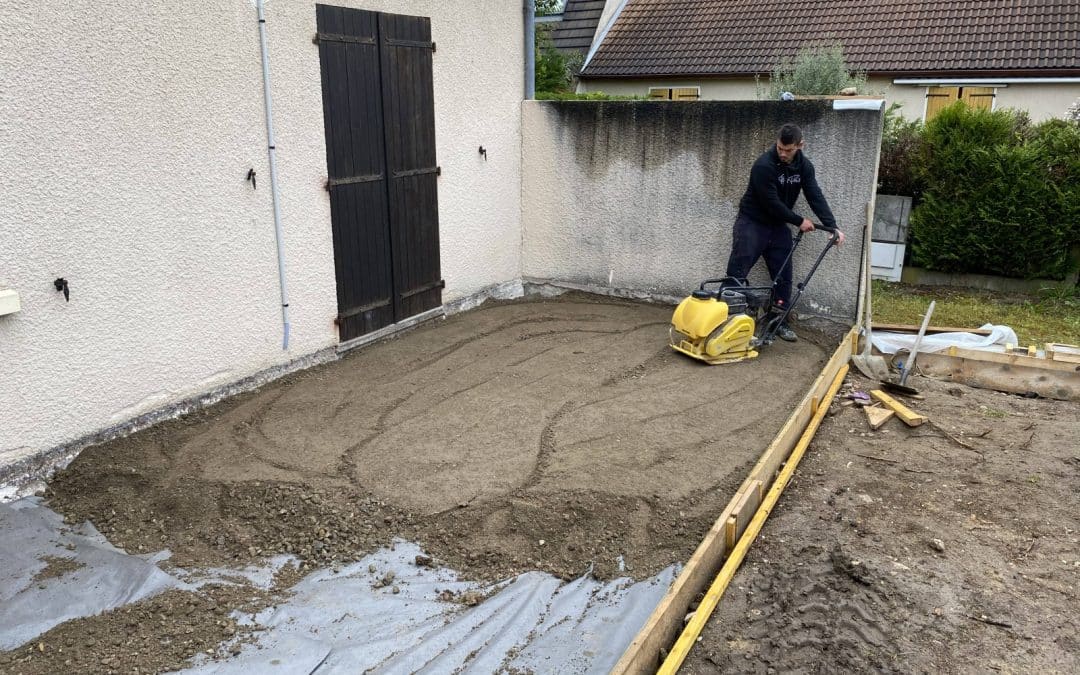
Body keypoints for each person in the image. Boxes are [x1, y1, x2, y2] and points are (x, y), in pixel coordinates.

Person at [725, 123, 845, 342]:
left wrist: (832, 226)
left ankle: (777, 321)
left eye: (788, 150)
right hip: (752, 223)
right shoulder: (763, 165)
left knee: (783, 276)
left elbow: (814, 195)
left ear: (800, 145)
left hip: (778, 226)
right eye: (780, 147)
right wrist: (799, 221)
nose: (782, 153)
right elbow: (771, 202)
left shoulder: (804, 167)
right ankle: (725, 319)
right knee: (737, 272)